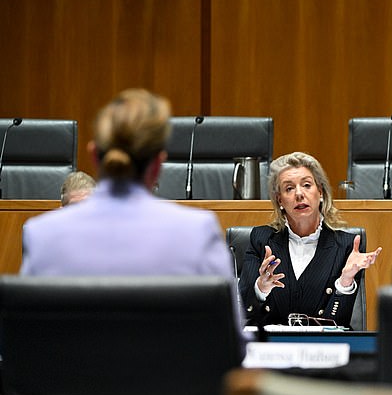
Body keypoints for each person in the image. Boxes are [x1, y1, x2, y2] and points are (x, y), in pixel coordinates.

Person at [20, 89, 247, 352]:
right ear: (159, 163)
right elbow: (232, 346)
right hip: (171, 392)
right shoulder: (198, 231)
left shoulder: (41, 235)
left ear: (94, 156)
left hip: (71, 392)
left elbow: (25, 348)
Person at [239, 151, 382, 328]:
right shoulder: (261, 240)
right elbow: (246, 312)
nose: (299, 194)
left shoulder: (346, 246)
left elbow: (338, 323)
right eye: (289, 188)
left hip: (322, 349)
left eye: (307, 185)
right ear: (280, 200)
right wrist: (261, 288)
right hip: (273, 349)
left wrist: (346, 280)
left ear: (320, 192)